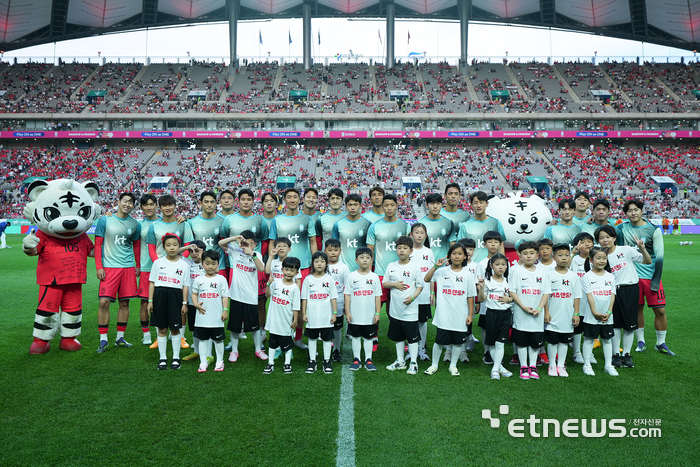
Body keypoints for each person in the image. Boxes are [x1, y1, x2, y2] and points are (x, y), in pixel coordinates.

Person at [617, 199, 674, 356]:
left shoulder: (653, 230)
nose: (633, 213)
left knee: (660, 310)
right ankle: (640, 341)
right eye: (629, 211)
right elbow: (604, 232)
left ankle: (661, 343)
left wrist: (656, 280)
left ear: (642, 211)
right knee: (637, 310)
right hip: (631, 278)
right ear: (626, 213)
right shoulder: (621, 228)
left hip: (650, 277)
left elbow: (660, 257)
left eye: (636, 209)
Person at [595, 224, 651, 369]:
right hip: (613, 293)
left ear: (614, 238)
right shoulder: (601, 257)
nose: (605, 240)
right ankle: (616, 354)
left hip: (631, 289)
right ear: (598, 241)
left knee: (629, 325)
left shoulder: (626, 250)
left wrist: (642, 248)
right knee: (615, 325)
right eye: (601, 238)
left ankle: (626, 354)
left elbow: (647, 261)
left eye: (607, 237)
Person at [268, 188, 317, 349]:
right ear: (284, 200)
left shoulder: (307, 219)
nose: (292, 200)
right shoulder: (277, 220)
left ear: (299, 199)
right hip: (283, 268)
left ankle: (297, 338)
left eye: (295, 197)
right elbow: (271, 243)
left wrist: (315, 263)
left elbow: (312, 242)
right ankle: (281, 337)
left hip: (302, 267)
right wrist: (272, 262)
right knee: (282, 303)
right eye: (289, 197)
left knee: (301, 304)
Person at [220, 188, 270, 349]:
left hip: (254, 265)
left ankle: (261, 334)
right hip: (235, 264)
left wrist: (255, 257)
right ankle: (236, 335)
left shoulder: (260, 220)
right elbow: (222, 241)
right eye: (243, 199)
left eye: (249, 199)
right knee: (235, 299)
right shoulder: (229, 219)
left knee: (259, 301)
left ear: (253, 201)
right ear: (238, 201)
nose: (246, 202)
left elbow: (265, 242)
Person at [94, 192, 140, 352]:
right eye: (125, 201)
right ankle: (103, 339)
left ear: (133, 206)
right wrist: (99, 266)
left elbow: (136, 246)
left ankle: (120, 338)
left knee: (125, 303)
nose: (127, 204)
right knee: (104, 302)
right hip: (109, 268)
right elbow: (98, 244)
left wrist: (138, 265)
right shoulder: (105, 220)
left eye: (131, 202)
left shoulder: (135, 224)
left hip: (127, 267)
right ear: (119, 202)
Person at [147, 194, 194, 349]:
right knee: (159, 303)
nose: (167, 208)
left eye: (170, 205)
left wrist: (179, 263)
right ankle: (159, 336)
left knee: (180, 303)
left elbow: (188, 244)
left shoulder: (183, 224)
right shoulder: (154, 226)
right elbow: (151, 248)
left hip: (178, 268)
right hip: (160, 268)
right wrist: (160, 265)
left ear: (175, 206)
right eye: (164, 205)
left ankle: (181, 337)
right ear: (160, 208)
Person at [422, 243, 476, 376]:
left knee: (458, 343)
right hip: (443, 315)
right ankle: (434, 365)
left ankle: (453, 366)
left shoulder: (468, 274)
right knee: (439, 341)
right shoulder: (441, 272)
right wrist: (435, 266)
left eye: (459, 254)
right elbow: (426, 279)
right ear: (449, 256)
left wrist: (470, 314)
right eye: (454, 253)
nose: (456, 256)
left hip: (460, 315)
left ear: (464, 257)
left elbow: (470, 296)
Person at [219, 231, 267, 363]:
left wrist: (251, 254)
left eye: (251, 243)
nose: (248, 245)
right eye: (245, 243)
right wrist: (236, 238)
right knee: (234, 326)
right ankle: (234, 351)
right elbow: (220, 243)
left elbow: (262, 269)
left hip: (251, 297)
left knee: (255, 326)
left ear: (255, 245)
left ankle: (258, 349)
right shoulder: (235, 251)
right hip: (235, 296)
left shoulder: (257, 255)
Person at [508, 240, 551, 380]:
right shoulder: (516, 271)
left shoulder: (543, 272)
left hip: (537, 315)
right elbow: (512, 292)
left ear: (537, 255)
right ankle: (523, 366)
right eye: (525, 253)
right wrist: (523, 307)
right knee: (521, 341)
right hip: (521, 313)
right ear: (519, 256)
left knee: (534, 342)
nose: (528, 256)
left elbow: (546, 292)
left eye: (531, 253)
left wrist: (539, 308)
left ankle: (533, 366)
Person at [147, 233, 190, 370]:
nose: (172, 248)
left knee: (175, 328)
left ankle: (176, 358)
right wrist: (150, 301)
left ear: (179, 246)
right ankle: (163, 358)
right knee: (162, 328)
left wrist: (184, 303)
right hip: (159, 296)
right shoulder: (158, 263)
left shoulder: (184, 264)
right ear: (164, 247)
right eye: (168, 245)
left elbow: (185, 286)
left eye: (175, 245)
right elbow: (152, 283)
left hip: (175, 297)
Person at [382, 236, 424, 375]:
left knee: (412, 339)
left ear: (411, 251)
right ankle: (400, 361)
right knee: (398, 337)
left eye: (405, 248)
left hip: (410, 311)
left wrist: (412, 297)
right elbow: (385, 283)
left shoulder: (415, 267)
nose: (402, 250)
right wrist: (394, 284)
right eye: (399, 248)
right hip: (395, 311)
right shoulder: (391, 266)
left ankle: (413, 363)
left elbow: (420, 286)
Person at [544, 244, 582, 377]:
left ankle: (561, 365)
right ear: (553, 257)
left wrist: (576, 313)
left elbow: (577, 296)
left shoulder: (573, 276)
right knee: (553, 341)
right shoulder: (548, 275)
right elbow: (545, 296)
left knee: (564, 341)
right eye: (560, 255)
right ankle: (552, 365)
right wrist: (546, 312)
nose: (564, 258)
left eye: (567, 255)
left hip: (568, 315)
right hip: (553, 315)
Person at [580, 246, 617, 376]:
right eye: (598, 258)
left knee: (607, 340)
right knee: (589, 339)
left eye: (604, 258)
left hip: (607, 316)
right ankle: (587, 364)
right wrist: (595, 312)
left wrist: (609, 312)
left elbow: (612, 295)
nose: (602, 261)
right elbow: (589, 295)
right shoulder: (587, 277)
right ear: (591, 260)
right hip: (592, 316)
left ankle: (608, 365)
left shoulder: (611, 276)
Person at [191, 249, 229, 372]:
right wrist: (195, 304)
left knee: (218, 340)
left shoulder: (221, 279)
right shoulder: (198, 279)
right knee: (202, 340)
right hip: (202, 316)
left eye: (213, 263)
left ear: (218, 264)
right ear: (202, 264)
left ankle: (220, 362)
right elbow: (194, 293)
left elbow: (225, 296)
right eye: (207, 263)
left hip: (216, 317)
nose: (210, 266)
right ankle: (203, 363)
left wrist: (225, 310)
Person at [477, 253, 514, 380]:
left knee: (500, 344)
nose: (500, 267)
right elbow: (482, 300)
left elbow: (515, 298)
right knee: (492, 344)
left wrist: (509, 299)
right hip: (491, 314)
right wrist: (481, 289)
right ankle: (500, 368)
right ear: (491, 265)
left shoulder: (509, 281)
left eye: (503, 264)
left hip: (505, 315)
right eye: (497, 264)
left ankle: (494, 369)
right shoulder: (487, 281)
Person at [345, 247, 382, 371]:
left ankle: (368, 359)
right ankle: (357, 359)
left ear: (372, 260)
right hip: (355, 314)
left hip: (369, 315)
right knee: (355, 337)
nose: (364, 260)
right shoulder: (351, 276)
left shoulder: (375, 277)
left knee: (368, 337)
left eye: (367, 258)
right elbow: (348, 295)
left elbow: (378, 296)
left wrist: (377, 312)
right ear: (356, 260)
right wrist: (348, 311)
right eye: (361, 257)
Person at [301, 251, 338, 374]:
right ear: (312, 263)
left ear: (326, 263)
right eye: (316, 261)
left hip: (326, 315)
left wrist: (334, 313)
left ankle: (327, 361)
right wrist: (304, 313)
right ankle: (312, 361)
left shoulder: (329, 279)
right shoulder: (308, 279)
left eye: (322, 261)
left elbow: (333, 298)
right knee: (312, 338)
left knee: (327, 339)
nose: (319, 264)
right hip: (312, 315)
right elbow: (304, 298)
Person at [264, 256, 302, 374]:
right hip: (274, 320)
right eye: (287, 269)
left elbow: (296, 306)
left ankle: (287, 364)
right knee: (272, 343)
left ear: (297, 272)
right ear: (282, 269)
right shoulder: (276, 283)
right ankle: (270, 363)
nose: (289, 273)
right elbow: (267, 295)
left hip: (286, 321)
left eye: (292, 270)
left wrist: (295, 320)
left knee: (287, 344)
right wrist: (268, 284)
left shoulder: (295, 288)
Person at [475, 230, 505, 365]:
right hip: (486, 301)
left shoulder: (504, 262)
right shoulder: (481, 264)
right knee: (486, 327)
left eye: (496, 242)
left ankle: (498, 352)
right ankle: (487, 351)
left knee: (499, 328)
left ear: (500, 244)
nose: (493, 244)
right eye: (490, 242)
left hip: (501, 302)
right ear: (484, 244)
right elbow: (478, 283)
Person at [569, 232, 597, 365]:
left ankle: (589, 352)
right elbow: (566, 270)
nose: (587, 244)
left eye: (589, 241)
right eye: (583, 241)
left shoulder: (597, 259)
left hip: (593, 299)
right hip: (578, 299)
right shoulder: (574, 260)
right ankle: (577, 352)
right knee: (577, 327)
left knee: (590, 326)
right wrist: (573, 253)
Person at [457, 191, 506, 263]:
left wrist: (502, 263)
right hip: (472, 267)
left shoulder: (496, 223)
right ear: (471, 204)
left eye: (481, 202)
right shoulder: (465, 226)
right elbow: (460, 248)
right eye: (476, 203)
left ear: (487, 204)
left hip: (492, 266)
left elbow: (501, 247)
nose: (478, 205)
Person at [408, 223, 434, 361]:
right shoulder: (407, 251)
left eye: (422, 232)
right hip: (410, 295)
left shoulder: (428, 252)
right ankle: (410, 348)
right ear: (411, 234)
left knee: (422, 323)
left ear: (426, 235)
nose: (419, 235)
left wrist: (432, 293)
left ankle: (422, 349)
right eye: (416, 232)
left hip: (423, 295)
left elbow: (431, 274)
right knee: (410, 322)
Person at [331, 193, 372, 272]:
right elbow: (334, 248)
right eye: (350, 205)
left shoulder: (367, 224)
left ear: (360, 206)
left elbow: (370, 248)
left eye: (355, 205)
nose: (353, 208)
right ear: (345, 206)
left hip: (361, 269)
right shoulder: (338, 224)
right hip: (342, 270)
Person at [181, 240, 206, 361]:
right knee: (194, 328)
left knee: (207, 327)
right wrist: (187, 247)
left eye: (197, 251)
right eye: (191, 251)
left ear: (204, 251)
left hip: (207, 303)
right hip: (192, 303)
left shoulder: (208, 264)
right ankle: (196, 351)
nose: (194, 254)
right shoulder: (187, 263)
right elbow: (175, 253)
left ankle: (207, 353)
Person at [325, 239, 349, 362]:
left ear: (340, 251)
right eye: (330, 250)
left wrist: (346, 305)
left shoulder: (344, 268)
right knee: (324, 327)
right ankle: (326, 352)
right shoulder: (322, 265)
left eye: (335, 250)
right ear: (325, 251)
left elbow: (348, 288)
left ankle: (336, 350)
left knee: (337, 328)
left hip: (338, 303)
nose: (333, 253)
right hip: (323, 302)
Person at [417, 192, 456, 261]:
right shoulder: (419, 223)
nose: (435, 206)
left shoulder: (448, 223)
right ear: (426, 205)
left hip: (444, 266)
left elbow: (452, 245)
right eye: (432, 204)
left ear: (442, 205)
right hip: (425, 265)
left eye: (438, 203)